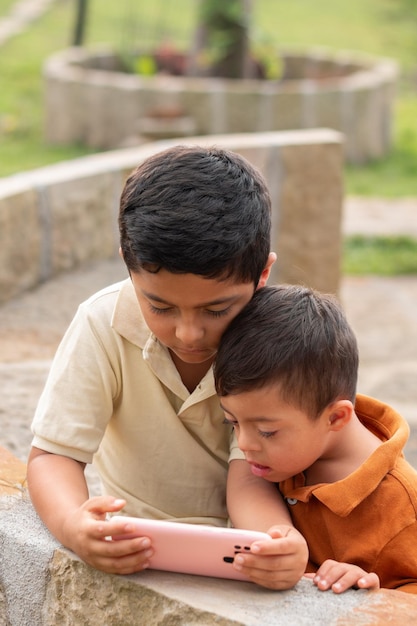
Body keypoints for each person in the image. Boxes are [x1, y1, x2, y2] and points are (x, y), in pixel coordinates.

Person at [27, 145, 308, 589]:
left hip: (238, 555)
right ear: (127, 262)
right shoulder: (102, 322)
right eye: (159, 305)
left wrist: (275, 541)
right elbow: (54, 454)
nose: (189, 334)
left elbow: (249, 479)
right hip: (137, 544)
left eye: (217, 310)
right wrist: (73, 526)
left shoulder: (273, 341)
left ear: (263, 273)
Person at [214, 284, 417, 594]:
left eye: (267, 431)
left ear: (335, 418)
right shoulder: (285, 456)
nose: (244, 444)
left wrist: (374, 590)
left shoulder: (402, 503)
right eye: (232, 422)